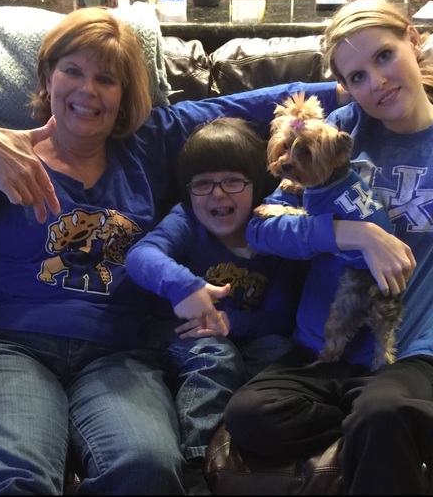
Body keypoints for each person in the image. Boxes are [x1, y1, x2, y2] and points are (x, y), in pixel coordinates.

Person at [0, 6, 342, 495]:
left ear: (124, 96)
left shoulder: (146, 144)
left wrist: (348, 91)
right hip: (8, 343)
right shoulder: (7, 156)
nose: (87, 90)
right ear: (47, 77)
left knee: (149, 467)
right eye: (72, 70)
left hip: (117, 354)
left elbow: (244, 106)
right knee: (10, 477)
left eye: (106, 79)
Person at [222, 0, 433, 495]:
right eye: (357, 77)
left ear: (413, 41)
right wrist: (353, 233)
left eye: (384, 56)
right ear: (346, 87)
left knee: (383, 415)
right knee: (249, 416)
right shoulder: (336, 131)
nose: (377, 82)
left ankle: (401, 416)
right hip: (316, 353)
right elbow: (261, 229)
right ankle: (419, 416)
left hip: (400, 357)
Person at [126, 117, 302, 494]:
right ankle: (196, 466)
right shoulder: (187, 221)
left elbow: (282, 318)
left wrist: (230, 321)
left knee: (281, 351)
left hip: (243, 336)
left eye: (233, 181)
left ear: (256, 186)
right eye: (202, 184)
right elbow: (140, 256)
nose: (218, 194)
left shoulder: (274, 235)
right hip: (176, 334)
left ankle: (257, 448)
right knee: (216, 356)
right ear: (188, 191)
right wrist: (185, 287)